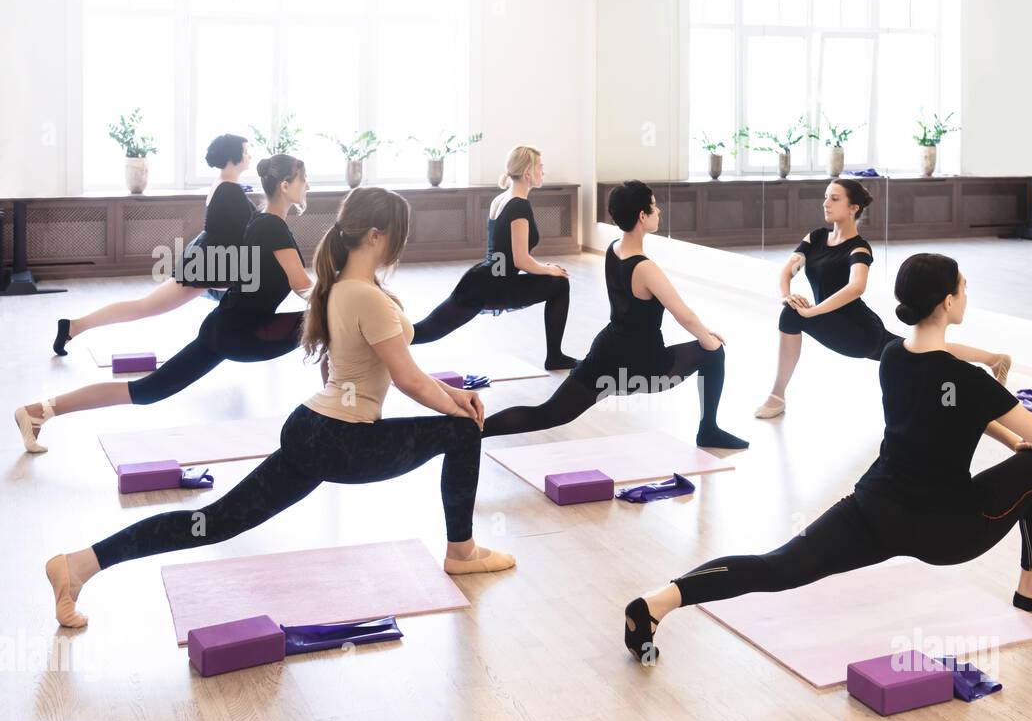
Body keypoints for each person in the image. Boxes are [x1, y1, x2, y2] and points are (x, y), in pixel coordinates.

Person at [43, 187, 514, 629]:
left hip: (313, 429)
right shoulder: (366, 297)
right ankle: (462, 551)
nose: (399, 247)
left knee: (218, 522)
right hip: (341, 439)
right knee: (462, 433)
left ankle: (79, 564)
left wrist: (453, 396)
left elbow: (381, 371)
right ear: (376, 236)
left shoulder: (336, 288)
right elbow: (408, 378)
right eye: (398, 237)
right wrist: (457, 407)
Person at [624, 253, 1032, 663]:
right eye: (963, 287)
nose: (966, 293)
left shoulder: (893, 356)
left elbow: (943, 403)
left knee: (778, 566)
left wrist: (1008, 439)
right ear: (947, 302)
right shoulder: (970, 382)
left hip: (876, 508)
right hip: (949, 529)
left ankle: (659, 600)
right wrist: (1015, 427)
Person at [16, 154, 315, 453]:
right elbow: (302, 286)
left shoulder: (262, 221)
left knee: (146, 391)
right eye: (304, 179)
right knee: (328, 319)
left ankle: (39, 411)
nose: (308, 185)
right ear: (286, 186)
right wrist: (343, 298)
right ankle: (339, 418)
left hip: (227, 327)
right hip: (242, 335)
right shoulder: (271, 227)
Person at [481, 180, 748, 449]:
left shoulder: (612, 249)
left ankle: (476, 429)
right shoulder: (646, 268)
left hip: (605, 353)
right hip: (645, 366)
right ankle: (708, 431)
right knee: (714, 353)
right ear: (642, 216)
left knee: (548, 413)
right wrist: (707, 338)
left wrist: (703, 335)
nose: (660, 212)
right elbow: (684, 315)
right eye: (654, 207)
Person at [755, 179, 1010, 419]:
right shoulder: (815, 238)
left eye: (834, 199)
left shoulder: (859, 248)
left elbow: (856, 287)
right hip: (833, 322)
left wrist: (813, 311)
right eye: (825, 198)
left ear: (853, 207)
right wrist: (787, 297)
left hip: (860, 331)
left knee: (923, 351)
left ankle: (777, 397)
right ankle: (993, 359)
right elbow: (787, 270)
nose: (825, 204)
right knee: (922, 349)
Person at [51, 134, 258, 356]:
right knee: (144, 307)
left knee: (146, 306)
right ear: (232, 157)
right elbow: (246, 229)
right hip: (211, 263)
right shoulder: (229, 189)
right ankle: (73, 326)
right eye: (246, 152)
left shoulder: (227, 186)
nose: (250, 156)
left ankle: (74, 326)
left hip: (214, 260)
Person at [410, 145, 577, 369]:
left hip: (484, 277)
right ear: (528, 173)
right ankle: (554, 357)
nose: (542, 172)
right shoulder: (520, 206)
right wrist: (549, 269)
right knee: (560, 283)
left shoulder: (502, 198)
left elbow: (505, 253)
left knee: (426, 329)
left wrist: (544, 267)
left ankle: (384, 338)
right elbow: (520, 260)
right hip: (497, 284)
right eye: (540, 167)